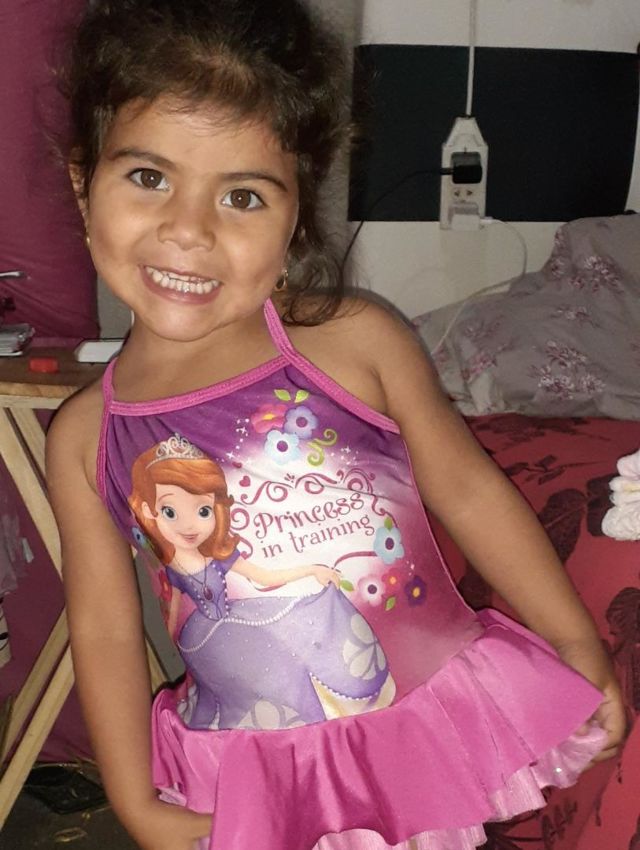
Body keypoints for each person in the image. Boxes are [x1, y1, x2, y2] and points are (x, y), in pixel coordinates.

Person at [46, 1, 625, 849]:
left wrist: (574, 638)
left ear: (295, 219)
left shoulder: (353, 342)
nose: (189, 230)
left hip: (416, 734)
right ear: (82, 184)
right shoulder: (85, 435)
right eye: (148, 178)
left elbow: (467, 490)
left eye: (242, 195)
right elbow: (102, 628)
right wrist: (133, 798)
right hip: (254, 770)